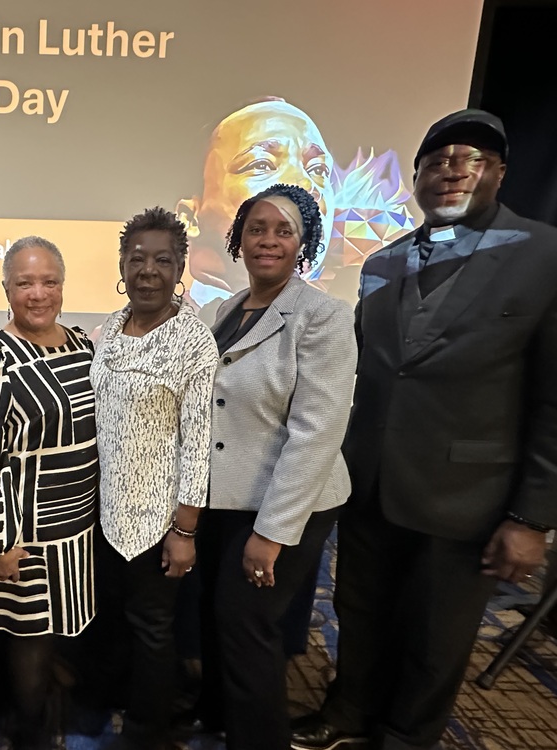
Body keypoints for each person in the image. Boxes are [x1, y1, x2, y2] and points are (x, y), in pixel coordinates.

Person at [292, 109, 557, 750]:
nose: (450, 173)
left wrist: (531, 518)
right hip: (373, 479)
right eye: (436, 162)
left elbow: (553, 401)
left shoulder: (545, 254)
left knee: (436, 634)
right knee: (360, 611)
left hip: (467, 493)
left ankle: (406, 736)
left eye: (468, 160)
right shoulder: (383, 265)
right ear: (417, 178)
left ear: (497, 173)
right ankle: (349, 709)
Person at [196, 184, 356, 750]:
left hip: (286, 503)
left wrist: (271, 532)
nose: (267, 239)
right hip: (225, 494)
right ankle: (220, 717)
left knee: (248, 630)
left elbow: (317, 433)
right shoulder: (224, 310)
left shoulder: (323, 316)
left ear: (304, 242)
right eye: (256, 228)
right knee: (221, 622)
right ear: (237, 239)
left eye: (282, 229)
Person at [0, 236, 98, 748]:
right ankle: (31, 736)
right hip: (24, 535)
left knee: (57, 638)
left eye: (49, 281)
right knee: (28, 642)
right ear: (6, 288)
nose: (37, 293)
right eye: (24, 283)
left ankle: (33, 713)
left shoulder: (82, 343)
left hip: (76, 531)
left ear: (63, 285)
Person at [90, 207, 218, 749]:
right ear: (122, 264)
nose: (148, 270)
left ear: (179, 268)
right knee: (114, 625)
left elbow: (197, 444)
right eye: (136, 258)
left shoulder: (193, 341)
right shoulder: (110, 330)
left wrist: (184, 531)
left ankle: (146, 734)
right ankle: (120, 703)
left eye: (162, 260)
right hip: (101, 513)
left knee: (153, 631)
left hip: (156, 520)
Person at [179, 99, 336, 302]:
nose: (305, 184)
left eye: (318, 169)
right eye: (261, 165)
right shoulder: (166, 327)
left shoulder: (333, 320)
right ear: (191, 218)